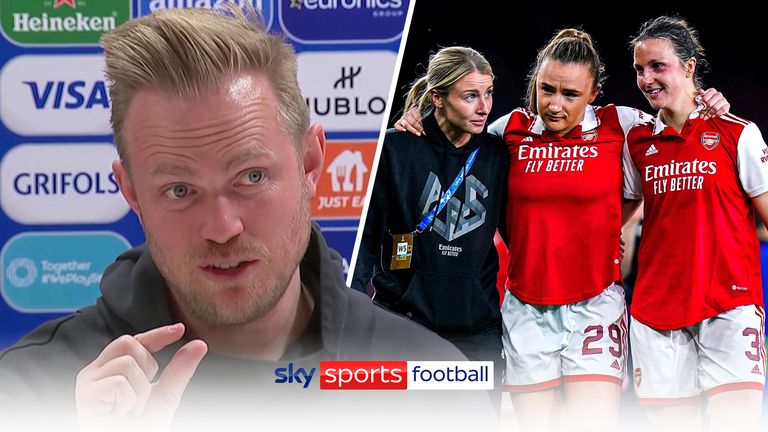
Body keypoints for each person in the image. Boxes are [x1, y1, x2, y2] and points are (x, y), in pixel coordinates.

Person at [0, 7, 495, 432]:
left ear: (310, 165)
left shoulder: (429, 380)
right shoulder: (33, 393)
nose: (222, 226)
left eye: (251, 176)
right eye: (179, 189)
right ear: (131, 192)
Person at [395, 29, 729, 432]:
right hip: (526, 310)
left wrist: (707, 102)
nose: (554, 105)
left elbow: (679, 128)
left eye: (570, 94)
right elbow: (451, 140)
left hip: (596, 306)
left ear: (594, 93)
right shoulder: (508, 130)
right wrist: (418, 118)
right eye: (546, 89)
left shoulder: (619, 125)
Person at [623, 16, 767, 432]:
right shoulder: (637, 142)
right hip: (655, 313)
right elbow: (624, 215)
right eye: (639, 69)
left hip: (729, 305)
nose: (646, 78)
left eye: (657, 66)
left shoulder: (737, 133)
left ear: (689, 67)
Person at [350, 46, 509, 410]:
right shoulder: (395, 148)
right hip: (405, 327)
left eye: (488, 93)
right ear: (437, 97)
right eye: (470, 96)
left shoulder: (498, 155)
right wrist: (353, 310)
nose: (484, 106)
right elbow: (367, 238)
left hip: (477, 335)